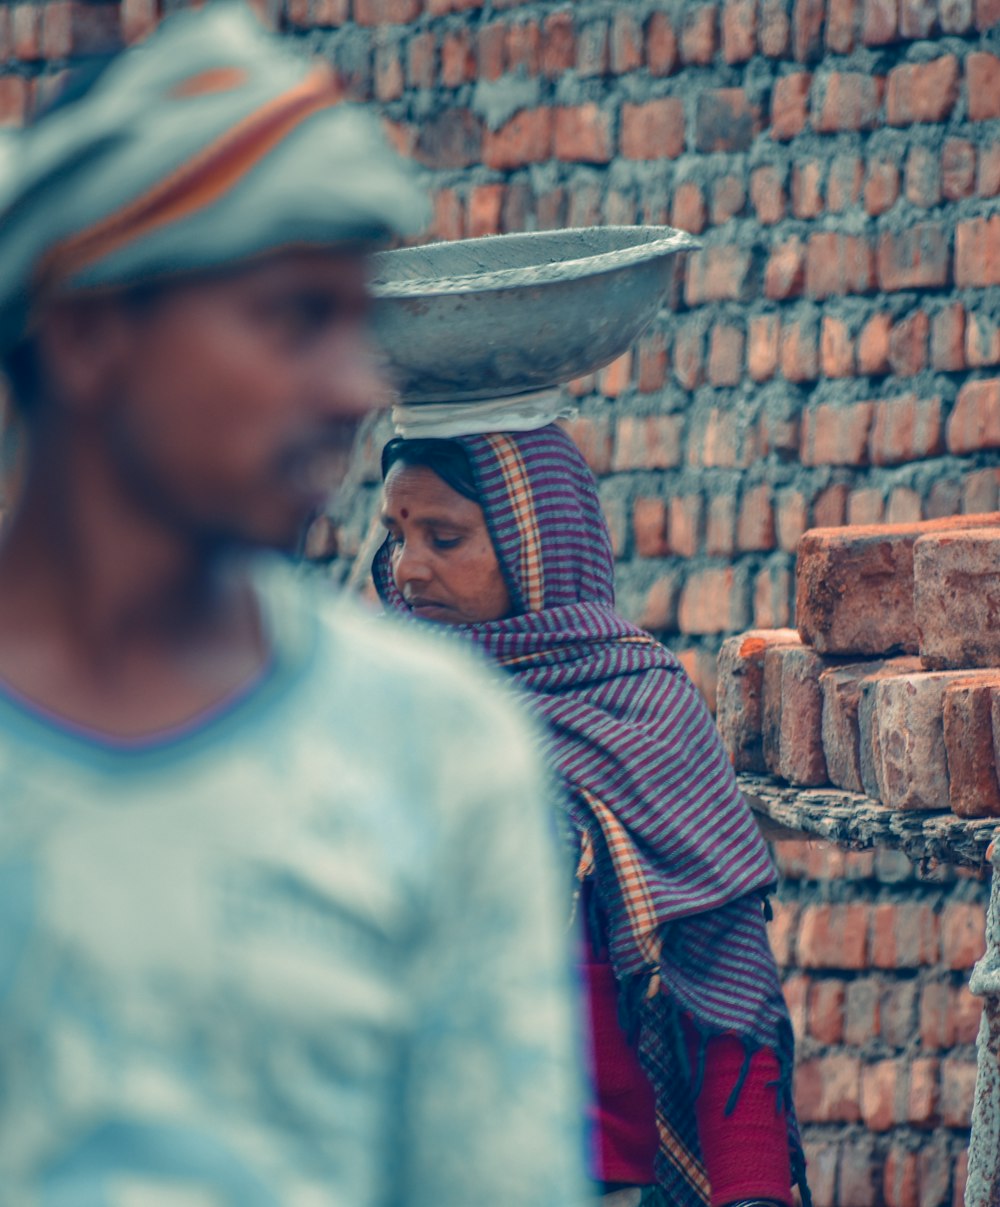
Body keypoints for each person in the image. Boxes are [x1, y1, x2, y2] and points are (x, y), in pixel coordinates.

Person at [0, 7, 585, 1203]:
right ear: (88, 333)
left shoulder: (434, 753)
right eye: (294, 318)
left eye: (357, 321)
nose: (355, 387)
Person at [374, 419, 811, 1207]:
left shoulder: (642, 711)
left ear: (535, 543)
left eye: (444, 537)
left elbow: (721, 983)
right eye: (397, 537)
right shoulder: (371, 708)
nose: (409, 570)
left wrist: (752, 1190)